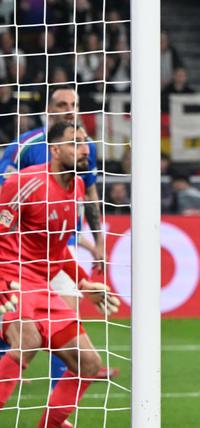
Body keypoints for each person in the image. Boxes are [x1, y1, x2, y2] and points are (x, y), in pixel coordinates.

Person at [0, 122, 120, 426]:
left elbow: (57, 249)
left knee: (90, 364)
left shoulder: (77, 188)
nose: (84, 149)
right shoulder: (25, 182)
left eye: (85, 143)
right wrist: (3, 285)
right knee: (26, 340)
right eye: (74, 143)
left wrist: (82, 281)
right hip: (13, 276)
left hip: (41, 286)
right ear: (54, 150)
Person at [0, 86, 106, 386]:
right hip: (20, 254)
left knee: (69, 329)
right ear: (49, 109)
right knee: (23, 336)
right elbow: (5, 187)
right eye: (62, 104)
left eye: (74, 104)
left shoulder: (87, 147)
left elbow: (89, 192)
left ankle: (55, 404)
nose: (69, 109)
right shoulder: (27, 144)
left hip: (62, 248)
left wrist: (97, 239)